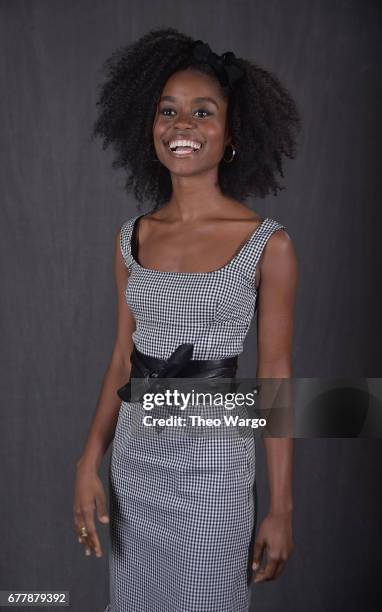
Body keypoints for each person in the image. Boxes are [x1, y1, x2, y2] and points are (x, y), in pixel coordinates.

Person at [73, 27, 300, 612]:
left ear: (230, 135)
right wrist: (87, 461)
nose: (182, 125)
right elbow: (123, 360)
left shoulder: (266, 245)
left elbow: (274, 376)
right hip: (135, 460)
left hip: (214, 462)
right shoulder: (131, 239)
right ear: (148, 128)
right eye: (168, 111)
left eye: (203, 112)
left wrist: (281, 507)